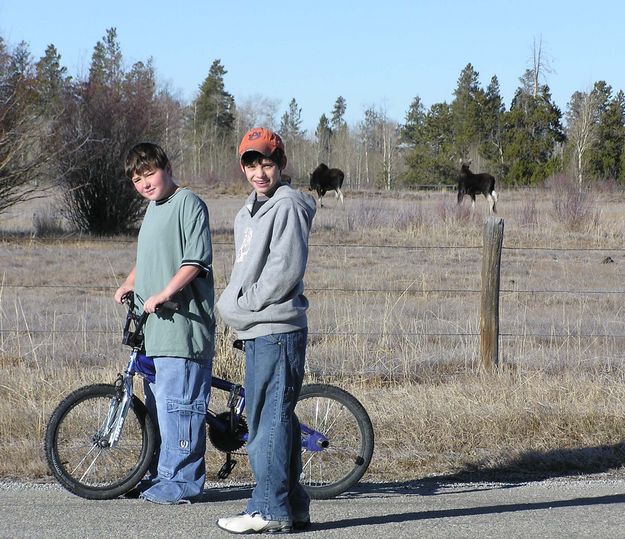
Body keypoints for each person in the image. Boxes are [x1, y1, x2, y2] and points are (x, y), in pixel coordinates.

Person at [216, 127, 316, 534]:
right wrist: (238, 305)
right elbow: (247, 268)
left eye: (267, 162)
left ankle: (268, 509)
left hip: (275, 327)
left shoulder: (287, 205)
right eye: (251, 163)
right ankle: (292, 505)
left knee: (266, 421)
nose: (259, 171)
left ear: (281, 164)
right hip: (258, 328)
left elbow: (284, 270)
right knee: (278, 418)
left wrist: (245, 303)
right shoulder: (251, 210)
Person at [113, 142, 215, 505]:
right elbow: (148, 259)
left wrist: (163, 293)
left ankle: (182, 483)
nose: (144, 183)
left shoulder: (188, 203)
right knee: (161, 410)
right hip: (154, 330)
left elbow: (195, 261)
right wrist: (130, 282)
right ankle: (160, 476)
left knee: (181, 407)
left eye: (149, 174)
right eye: (137, 179)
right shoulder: (153, 210)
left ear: (167, 168)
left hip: (182, 327)